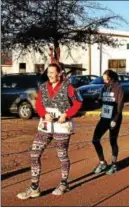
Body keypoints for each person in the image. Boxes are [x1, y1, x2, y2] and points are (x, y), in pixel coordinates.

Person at [17, 63, 82, 199]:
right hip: (46, 125)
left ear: (59, 74)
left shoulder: (68, 87)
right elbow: (39, 104)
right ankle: (34, 187)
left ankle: (64, 183)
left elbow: (78, 103)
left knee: (61, 154)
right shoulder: (43, 87)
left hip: (62, 126)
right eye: (48, 73)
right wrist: (43, 114)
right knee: (34, 153)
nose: (49, 75)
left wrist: (67, 114)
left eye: (52, 73)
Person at [92, 69, 124, 175]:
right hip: (104, 117)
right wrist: (97, 101)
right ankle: (102, 163)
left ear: (111, 78)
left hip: (114, 118)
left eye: (106, 79)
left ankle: (114, 164)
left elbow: (120, 106)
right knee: (95, 140)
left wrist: (115, 119)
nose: (104, 80)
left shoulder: (118, 88)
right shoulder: (104, 87)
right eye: (104, 79)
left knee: (112, 141)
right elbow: (101, 101)